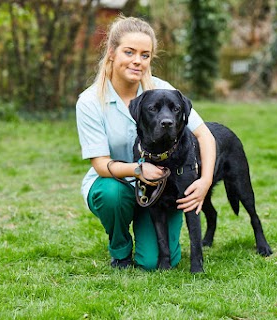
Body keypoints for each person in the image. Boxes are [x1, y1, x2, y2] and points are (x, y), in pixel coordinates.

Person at [75, 15, 216, 270]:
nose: (137, 61)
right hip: (117, 183)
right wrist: (139, 170)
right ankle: (120, 249)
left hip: (162, 188)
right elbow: (100, 164)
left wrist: (204, 181)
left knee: (154, 262)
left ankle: (147, 241)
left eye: (145, 55)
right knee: (113, 194)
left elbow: (204, 135)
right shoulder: (90, 101)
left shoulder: (162, 91)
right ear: (111, 53)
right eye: (129, 52)